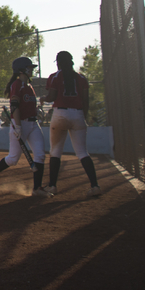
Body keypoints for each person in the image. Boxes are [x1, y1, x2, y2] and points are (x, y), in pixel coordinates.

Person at [0, 57, 50, 197]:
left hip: (33, 124)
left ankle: (37, 188)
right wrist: (18, 127)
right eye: (29, 68)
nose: (31, 70)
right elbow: (14, 107)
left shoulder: (29, 86)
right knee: (13, 159)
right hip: (20, 124)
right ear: (21, 70)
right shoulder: (17, 84)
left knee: (40, 155)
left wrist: (36, 110)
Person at [40, 51, 101, 196]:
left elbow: (52, 96)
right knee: (82, 152)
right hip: (78, 114)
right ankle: (95, 186)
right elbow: (85, 101)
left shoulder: (55, 77)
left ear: (58, 62)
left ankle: (52, 186)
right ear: (72, 62)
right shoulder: (81, 78)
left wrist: (43, 99)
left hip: (60, 114)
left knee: (55, 151)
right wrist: (82, 117)